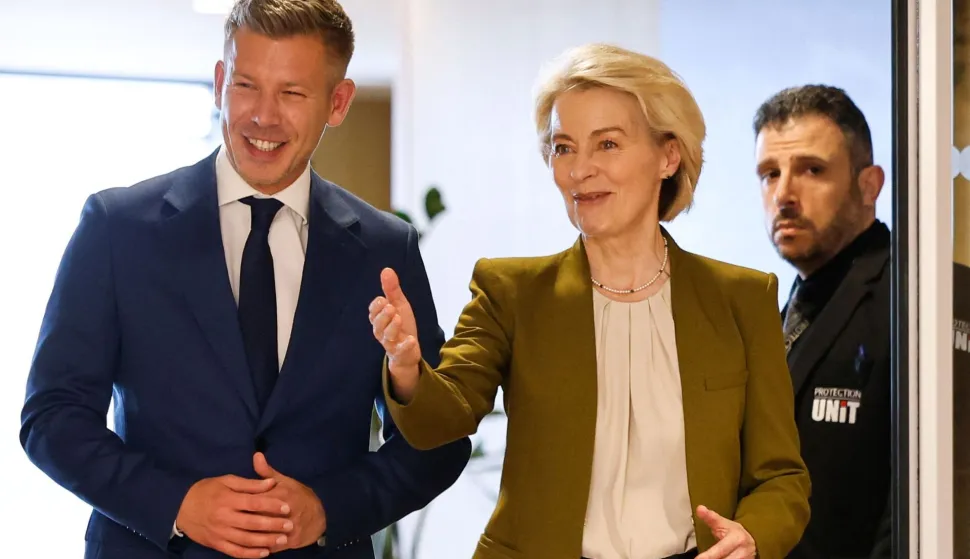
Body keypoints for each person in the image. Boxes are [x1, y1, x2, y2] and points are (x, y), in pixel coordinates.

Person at [19, 1, 470, 558]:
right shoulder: (117, 228)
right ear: (218, 81)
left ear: (338, 102)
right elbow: (51, 418)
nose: (263, 116)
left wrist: (329, 508)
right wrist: (177, 503)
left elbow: (440, 443)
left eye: (292, 93)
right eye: (246, 85)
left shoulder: (383, 249)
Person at [367, 43, 810, 559]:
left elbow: (781, 478)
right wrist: (405, 367)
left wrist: (752, 534)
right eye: (564, 147)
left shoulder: (743, 299)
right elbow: (443, 418)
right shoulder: (510, 291)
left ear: (668, 155)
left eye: (607, 145)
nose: (579, 170)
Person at [752, 85, 892, 559]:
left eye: (812, 170)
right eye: (769, 174)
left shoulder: (915, 299)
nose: (784, 195)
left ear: (868, 185)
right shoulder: (783, 305)